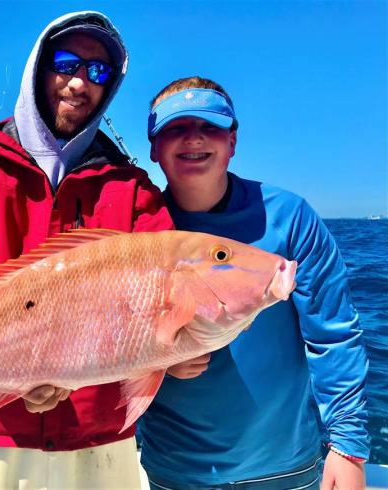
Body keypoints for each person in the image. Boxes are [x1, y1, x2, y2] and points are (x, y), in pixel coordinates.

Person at [0, 11, 173, 489]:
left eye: (97, 73)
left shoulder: (135, 191)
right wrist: (21, 367)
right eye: (67, 63)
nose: (79, 84)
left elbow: (156, 305)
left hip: (100, 436)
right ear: (38, 67)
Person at [139, 76, 369, 490]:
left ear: (233, 141)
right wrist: (157, 358)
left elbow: (333, 337)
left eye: (210, 126)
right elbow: (115, 335)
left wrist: (348, 446)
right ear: (154, 146)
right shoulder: (138, 228)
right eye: (176, 128)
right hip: (175, 469)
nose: (194, 138)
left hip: (287, 466)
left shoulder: (290, 218)